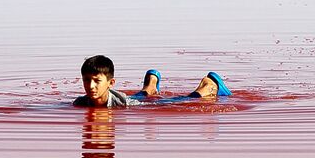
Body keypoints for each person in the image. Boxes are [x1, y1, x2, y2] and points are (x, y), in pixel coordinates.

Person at [73, 55, 229, 107]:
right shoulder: (80, 103)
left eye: (96, 81)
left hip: (130, 102)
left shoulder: (121, 103)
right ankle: (151, 86)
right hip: (132, 98)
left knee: (171, 102)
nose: (90, 86)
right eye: (86, 80)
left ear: (111, 83)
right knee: (139, 95)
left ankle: (207, 87)